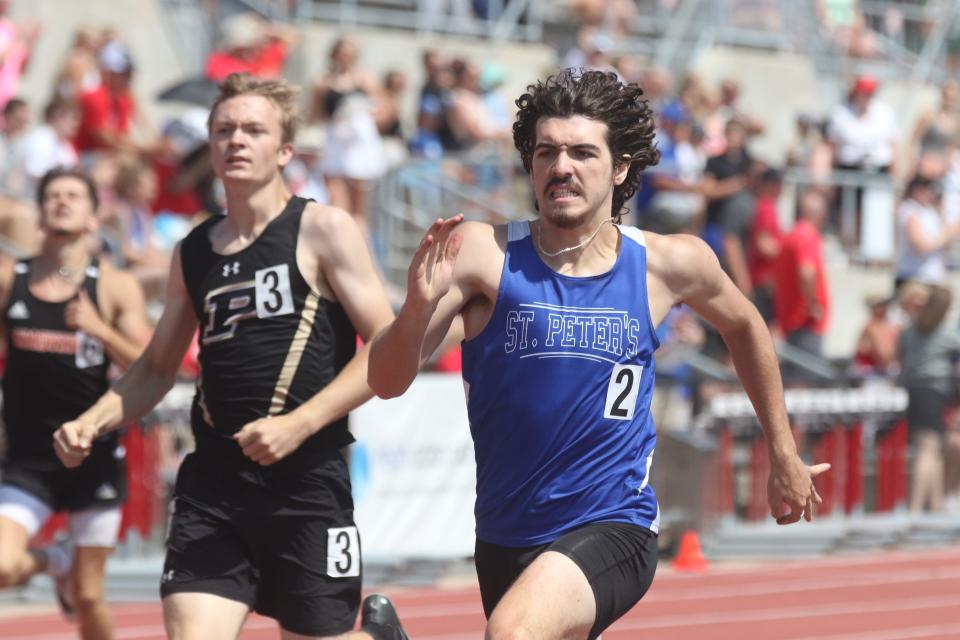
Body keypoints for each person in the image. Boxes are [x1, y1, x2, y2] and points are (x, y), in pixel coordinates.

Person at [368, 69, 828, 640]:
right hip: (506, 532)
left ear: (620, 167)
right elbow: (385, 381)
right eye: (547, 152)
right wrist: (415, 309)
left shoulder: (667, 263)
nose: (562, 167)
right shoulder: (481, 256)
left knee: (512, 634)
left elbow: (747, 326)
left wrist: (783, 451)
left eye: (583, 152)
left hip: (615, 522)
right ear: (530, 165)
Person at [53, 72, 407, 640]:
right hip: (214, 483)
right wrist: (90, 422)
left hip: (306, 480)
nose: (236, 140)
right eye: (223, 130)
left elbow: (389, 351)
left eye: (252, 130)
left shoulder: (323, 229)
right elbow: (155, 368)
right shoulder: (194, 250)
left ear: (285, 149)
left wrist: (300, 424)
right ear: (210, 147)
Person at [0, 166, 151, 638]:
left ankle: (72, 569)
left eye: (74, 196)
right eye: (53, 196)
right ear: (40, 214)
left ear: (92, 217)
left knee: (88, 598)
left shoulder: (112, 286)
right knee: (3, 568)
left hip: (95, 457)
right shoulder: (11, 280)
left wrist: (100, 329)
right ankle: (55, 559)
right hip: (28, 458)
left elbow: (155, 366)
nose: (63, 202)